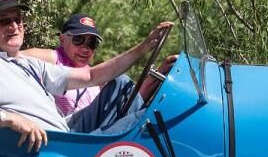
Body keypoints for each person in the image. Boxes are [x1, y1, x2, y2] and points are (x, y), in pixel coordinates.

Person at [0, 0, 173, 152]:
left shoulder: (22, 62)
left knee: (119, 84)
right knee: (153, 122)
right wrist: (9, 119)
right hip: (57, 148)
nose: (14, 27)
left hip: (68, 131)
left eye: (18, 20)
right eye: (4, 21)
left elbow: (92, 77)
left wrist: (144, 47)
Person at [21, 12, 176, 117]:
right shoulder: (52, 58)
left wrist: (160, 73)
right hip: (67, 134)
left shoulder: (94, 75)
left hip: (93, 134)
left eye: (92, 43)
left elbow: (128, 106)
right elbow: (13, 57)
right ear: (62, 40)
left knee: (148, 112)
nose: (85, 48)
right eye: (78, 40)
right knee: (120, 81)